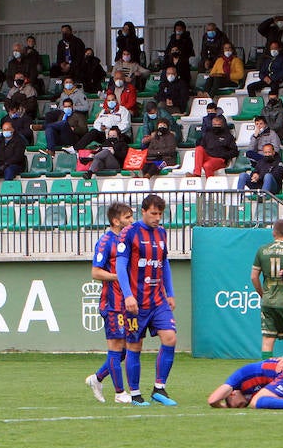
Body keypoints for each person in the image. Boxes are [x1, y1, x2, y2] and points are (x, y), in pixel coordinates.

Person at [117, 195, 179, 406]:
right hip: (136, 302)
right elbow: (120, 266)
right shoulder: (130, 232)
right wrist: (127, 295)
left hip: (158, 300)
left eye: (160, 214)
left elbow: (165, 264)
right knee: (135, 346)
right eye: (153, 213)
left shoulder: (161, 233)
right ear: (143, 211)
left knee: (170, 337)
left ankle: (159, 388)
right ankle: (134, 393)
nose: (157, 218)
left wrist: (169, 292)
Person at [85, 203, 141, 405]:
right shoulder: (105, 241)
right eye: (128, 217)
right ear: (116, 221)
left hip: (128, 302)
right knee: (116, 347)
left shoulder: (128, 241)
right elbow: (95, 272)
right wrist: (119, 276)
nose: (132, 221)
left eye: (132, 217)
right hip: (112, 303)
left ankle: (97, 378)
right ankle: (119, 393)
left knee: (126, 349)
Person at [251, 220, 283, 357]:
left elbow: (254, 277)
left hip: (268, 301)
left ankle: (266, 376)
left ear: (273, 233)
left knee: (268, 338)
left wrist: (262, 294)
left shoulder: (262, 250)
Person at [206, 355, 283, 411]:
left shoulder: (237, 378)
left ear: (232, 394)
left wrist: (223, 406)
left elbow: (212, 400)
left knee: (256, 402)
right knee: (267, 398)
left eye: (239, 405)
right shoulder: (249, 390)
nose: (242, 407)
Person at [193, 107, 238, 177]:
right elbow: (202, 147)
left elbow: (235, 151)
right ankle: (197, 173)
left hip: (220, 159)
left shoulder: (228, 136)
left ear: (222, 125)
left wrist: (223, 155)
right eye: (214, 125)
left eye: (218, 125)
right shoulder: (208, 135)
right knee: (199, 148)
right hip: (208, 156)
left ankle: (210, 184)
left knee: (207, 165)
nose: (216, 126)